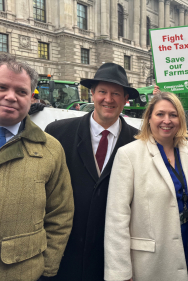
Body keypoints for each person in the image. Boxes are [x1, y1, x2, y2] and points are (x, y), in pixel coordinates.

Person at [45, 63, 139, 281]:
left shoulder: (139, 142)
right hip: (63, 256)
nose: (109, 99)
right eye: (103, 92)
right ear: (92, 94)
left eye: (116, 93)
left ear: (126, 99)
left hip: (109, 258)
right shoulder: (58, 133)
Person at [104, 92, 188, 281]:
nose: (167, 120)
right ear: (148, 118)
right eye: (160, 114)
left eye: (173, 115)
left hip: (187, 253)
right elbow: (117, 218)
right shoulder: (129, 155)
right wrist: (120, 272)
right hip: (148, 263)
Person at [0, 54, 74, 280]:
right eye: (2, 87)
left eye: (21, 91)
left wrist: (47, 270)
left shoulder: (50, 149)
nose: (11, 97)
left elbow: (60, 215)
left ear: (32, 98)